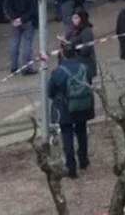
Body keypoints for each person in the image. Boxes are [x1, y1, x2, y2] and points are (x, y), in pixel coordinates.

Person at [49, 43, 95, 178]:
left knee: (67, 135)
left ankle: (71, 167)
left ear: (62, 54)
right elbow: (89, 83)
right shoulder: (84, 67)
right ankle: (83, 160)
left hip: (64, 107)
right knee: (82, 132)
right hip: (82, 105)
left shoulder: (58, 72)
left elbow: (50, 91)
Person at [6, 0, 38, 75]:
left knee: (14, 44)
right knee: (27, 45)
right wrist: (23, 19)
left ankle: (13, 67)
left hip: (15, 21)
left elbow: (7, 5)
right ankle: (26, 68)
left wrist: (14, 18)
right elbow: (33, 8)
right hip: (27, 21)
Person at [66, 9, 97, 77]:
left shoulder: (86, 31)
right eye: (73, 18)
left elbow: (85, 50)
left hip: (85, 65)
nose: (73, 20)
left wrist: (74, 47)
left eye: (76, 18)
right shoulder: (72, 31)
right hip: (75, 65)